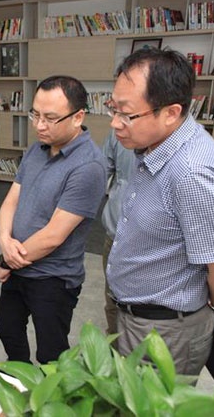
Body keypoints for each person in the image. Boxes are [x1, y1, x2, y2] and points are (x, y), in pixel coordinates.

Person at [106, 48, 214, 377]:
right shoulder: (157, 143)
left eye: (127, 114)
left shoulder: (193, 174)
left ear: (171, 112)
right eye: (113, 108)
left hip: (163, 331)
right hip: (134, 313)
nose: (115, 123)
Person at [0, 76, 106, 364]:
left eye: (51, 118)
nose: (39, 125)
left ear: (78, 117)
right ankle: (19, 382)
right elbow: (11, 201)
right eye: (36, 115)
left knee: (51, 352)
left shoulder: (88, 166)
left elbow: (53, 236)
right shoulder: (36, 149)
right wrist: (4, 240)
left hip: (53, 277)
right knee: (8, 330)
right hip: (18, 264)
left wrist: (6, 261)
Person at [100, 130, 134, 335]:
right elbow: (101, 171)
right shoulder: (117, 132)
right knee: (112, 298)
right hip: (115, 232)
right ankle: (114, 344)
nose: (115, 121)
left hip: (155, 243)